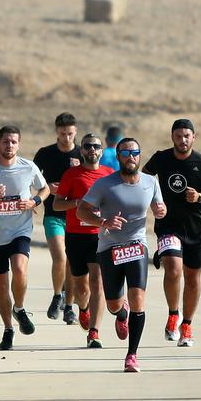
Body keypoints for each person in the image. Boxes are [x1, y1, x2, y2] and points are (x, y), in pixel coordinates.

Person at [77, 137, 166, 373]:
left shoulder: (150, 182)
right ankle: (121, 312)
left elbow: (159, 207)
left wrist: (161, 210)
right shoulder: (105, 184)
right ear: (118, 157)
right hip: (109, 248)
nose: (130, 157)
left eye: (134, 152)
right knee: (113, 303)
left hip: (137, 245)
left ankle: (132, 355)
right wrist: (103, 221)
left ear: (139, 155)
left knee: (138, 297)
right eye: (125, 153)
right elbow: (81, 211)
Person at [143, 118, 201, 348]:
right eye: (178, 136)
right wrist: (153, 202)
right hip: (168, 225)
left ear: (194, 138)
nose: (183, 140)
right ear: (172, 138)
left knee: (192, 278)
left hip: (196, 229)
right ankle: (172, 314)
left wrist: (200, 196)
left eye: (187, 136)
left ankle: (186, 325)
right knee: (173, 268)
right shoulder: (161, 158)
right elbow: (143, 180)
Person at [0, 125, 49, 350]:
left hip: (20, 230)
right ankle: (8, 329)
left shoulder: (28, 167)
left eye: (14, 142)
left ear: (19, 144)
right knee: (1, 284)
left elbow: (44, 189)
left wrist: (34, 202)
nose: (9, 145)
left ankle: (20, 308)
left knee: (19, 269)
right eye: (6, 141)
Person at [53, 133, 114, 348]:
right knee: (81, 287)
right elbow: (56, 205)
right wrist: (76, 203)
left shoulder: (109, 175)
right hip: (75, 236)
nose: (92, 150)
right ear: (82, 150)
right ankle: (83, 308)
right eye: (87, 146)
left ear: (101, 150)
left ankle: (94, 333)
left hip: (99, 236)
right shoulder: (71, 175)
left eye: (96, 146)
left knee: (98, 282)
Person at [33, 112, 81, 324]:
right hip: (53, 215)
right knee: (60, 258)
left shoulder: (82, 154)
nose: (66, 137)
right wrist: (45, 190)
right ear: (56, 131)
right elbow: (31, 179)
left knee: (72, 261)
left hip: (76, 217)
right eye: (63, 133)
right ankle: (56, 296)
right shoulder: (45, 153)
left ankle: (69, 305)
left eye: (70, 133)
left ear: (75, 131)